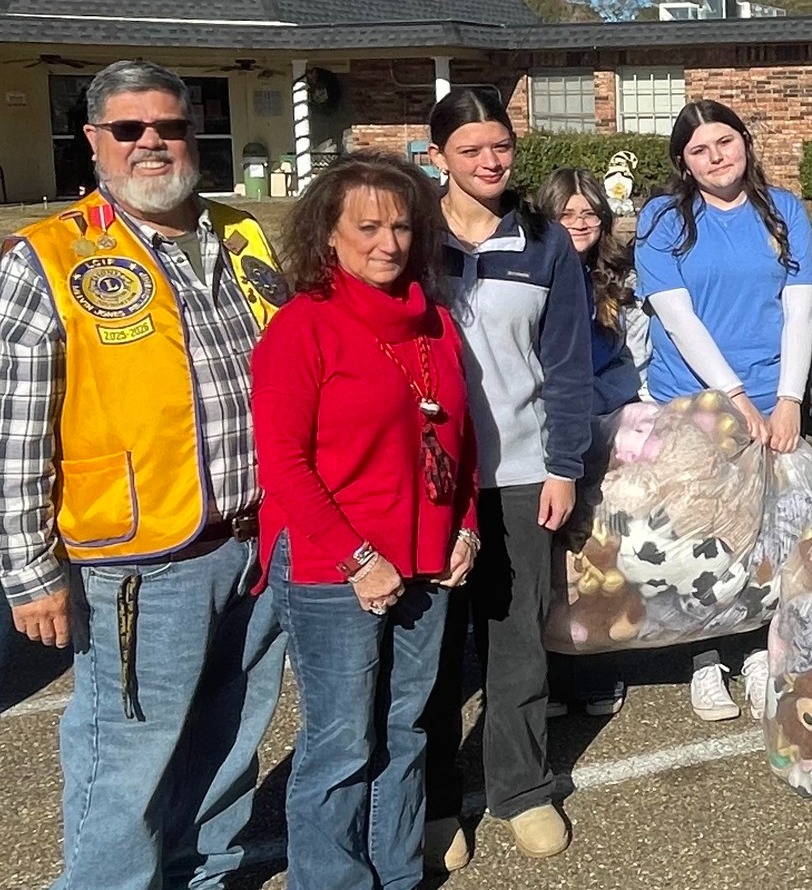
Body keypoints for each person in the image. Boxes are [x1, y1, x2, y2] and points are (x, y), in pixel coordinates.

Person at [0, 60, 289, 890]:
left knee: (232, 739)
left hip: (255, 545)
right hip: (138, 562)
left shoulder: (242, 235)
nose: (153, 143)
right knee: (125, 760)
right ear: (93, 141)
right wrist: (28, 575)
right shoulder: (48, 258)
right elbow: (16, 433)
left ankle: (207, 876)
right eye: (130, 130)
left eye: (169, 126)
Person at [253, 152, 480, 890]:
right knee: (343, 741)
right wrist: (358, 558)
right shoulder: (301, 328)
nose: (388, 243)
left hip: (427, 557)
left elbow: (462, 440)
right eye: (368, 227)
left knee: (407, 731)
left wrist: (466, 528)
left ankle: (395, 870)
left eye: (402, 227)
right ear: (328, 237)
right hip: (335, 567)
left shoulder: (435, 323)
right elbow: (284, 464)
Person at [420, 87, 594, 869]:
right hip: (429, 480)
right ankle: (431, 802)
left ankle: (520, 790)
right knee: (429, 648)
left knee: (517, 641)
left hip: (522, 473)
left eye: (502, 147)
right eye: (471, 150)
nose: (491, 162)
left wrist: (563, 466)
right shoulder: (411, 236)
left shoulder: (545, 241)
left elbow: (566, 365)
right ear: (438, 159)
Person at [633, 99, 812, 723]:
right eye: (699, 150)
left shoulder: (784, 209)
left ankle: (758, 648)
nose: (717, 158)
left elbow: (798, 308)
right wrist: (734, 398)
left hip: (773, 398)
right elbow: (677, 317)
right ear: (683, 163)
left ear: (745, 141)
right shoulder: (663, 217)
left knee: (769, 533)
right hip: (695, 404)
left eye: (726, 142)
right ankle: (703, 656)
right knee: (702, 534)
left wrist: (788, 398)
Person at [535, 167, 648, 720]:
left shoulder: (615, 278)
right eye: (568, 212)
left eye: (590, 213)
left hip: (605, 429)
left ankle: (599, 668)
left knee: (601, 554)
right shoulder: (537, 274)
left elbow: (627, 360)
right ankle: (557, 676)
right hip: (550, 435)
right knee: (553, 560)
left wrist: (605, 401)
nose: (580, 223)